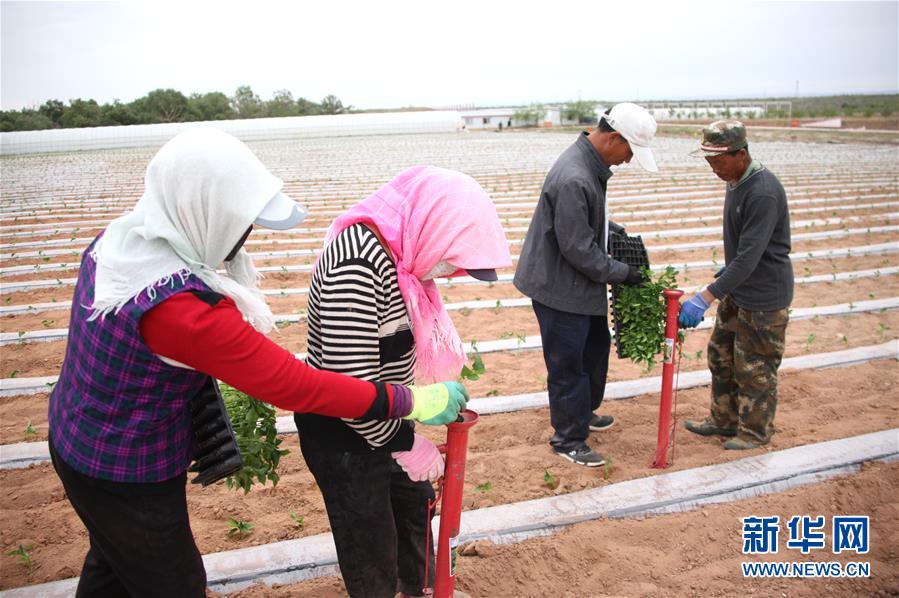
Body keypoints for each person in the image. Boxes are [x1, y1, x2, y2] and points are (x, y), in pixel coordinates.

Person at [47, 129, 468, 598]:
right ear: (204, 211)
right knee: (174, 583)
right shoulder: (185, 312)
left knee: (114, 563)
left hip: (75, 434)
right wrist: (410, 401)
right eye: (241, 220)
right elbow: (297, 386)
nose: (244, 234)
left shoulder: (123, 242)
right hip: (123, 465)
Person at [295, 166, 512, 598]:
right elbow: (348, 385)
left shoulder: (402, 256)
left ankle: (425, 590)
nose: (449, 273)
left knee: (413, 509)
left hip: (386, 418)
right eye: (451, 259)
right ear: (433, 225)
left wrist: (401, 432)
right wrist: (401, 442)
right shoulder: (355, 263)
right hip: (346, 435)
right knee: (370, 542)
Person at [513, 103, 658, 467]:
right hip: (560, 287)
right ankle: (568, 438)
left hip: (578, 284)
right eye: (629, 151)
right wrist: (624, 273)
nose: (628, 160)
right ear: (612, 138)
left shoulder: (591, 167)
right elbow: (578, 249)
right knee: (568, 364)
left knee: (595, 349)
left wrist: (613, 230)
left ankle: (581, 413)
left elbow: (585, 224)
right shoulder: (576, 177)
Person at [679, 120, 793, 450]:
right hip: (741, 287)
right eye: (709, 161)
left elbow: (750, 257)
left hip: (764, 295)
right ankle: (724, 420)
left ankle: (755, 432)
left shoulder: (762, 192)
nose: (713, 168)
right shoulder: (736, 181)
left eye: (718, 161)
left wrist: (705, 297)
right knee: (721, 355)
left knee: (755, 366)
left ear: (741, 154)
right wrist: (730, 272)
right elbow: (745, 251)